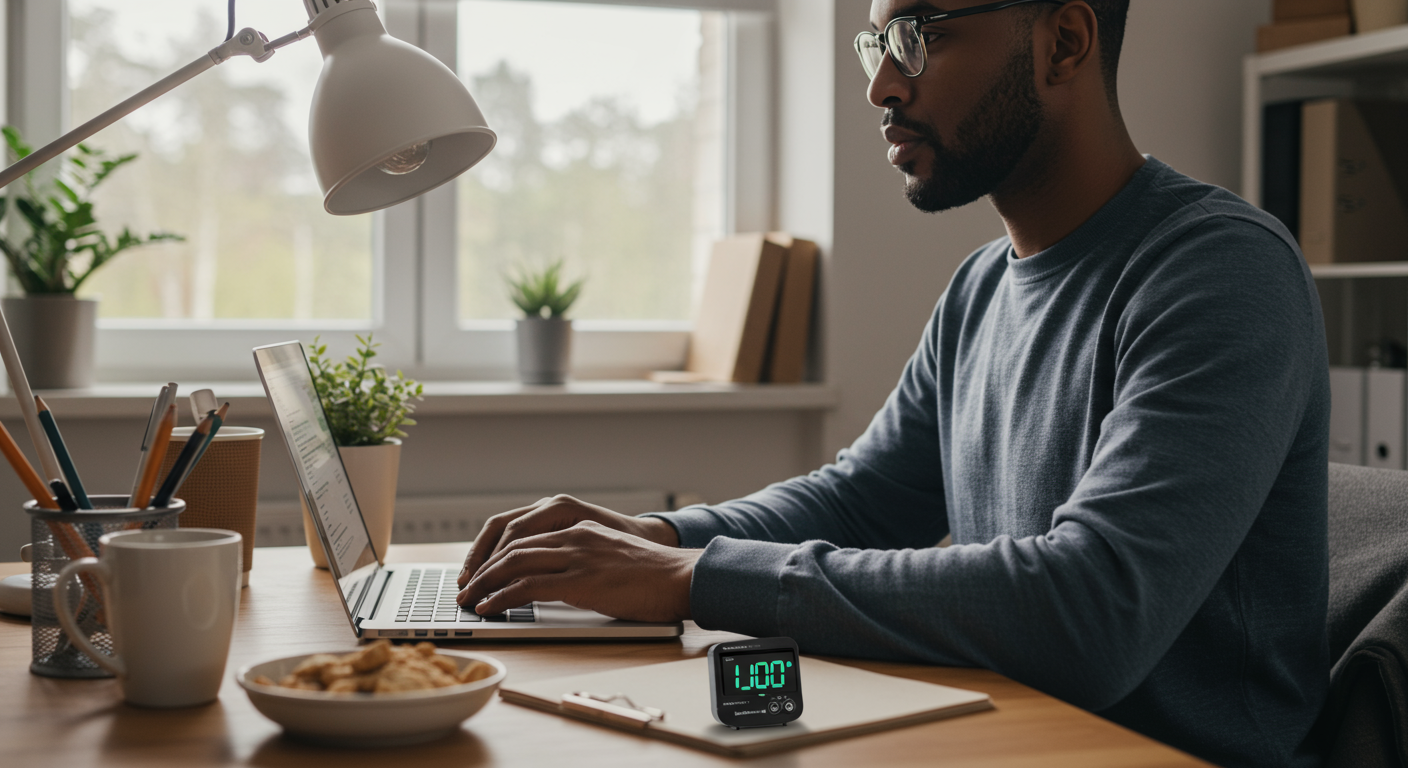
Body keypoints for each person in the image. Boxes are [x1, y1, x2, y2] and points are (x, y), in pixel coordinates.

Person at [457, 2, 1330, 766]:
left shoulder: (1219, 272)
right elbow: (862, 499)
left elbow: (1092, 608)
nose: (880, 84)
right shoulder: (982, 286)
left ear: (1063, 43)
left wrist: (689, 577)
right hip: (1011, 737)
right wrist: (651, 536)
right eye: (873, 42)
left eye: (917, 35)